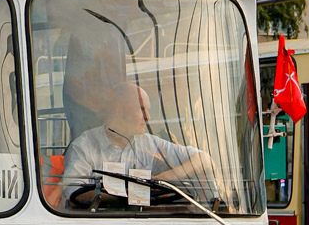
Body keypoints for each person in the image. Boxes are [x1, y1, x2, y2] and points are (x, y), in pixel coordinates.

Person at [58, 81, 215, 208]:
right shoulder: (83, 146)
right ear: (119, 110)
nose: (148, 117)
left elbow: (204, 159)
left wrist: (164, 178)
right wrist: (131, 192)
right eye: (141, 109)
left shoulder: (148, 143)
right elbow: (73, 195)